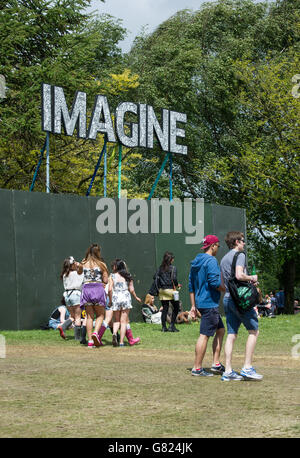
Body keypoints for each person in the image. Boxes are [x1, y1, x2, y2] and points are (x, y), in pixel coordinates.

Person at [220, 231, 263, 381]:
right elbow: (239, 275)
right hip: (240, 301)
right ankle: (247, 367)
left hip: (227, 298)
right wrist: (252, 278)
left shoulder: (224, 259)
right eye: (242, 240)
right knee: (253, 331)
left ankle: (228, 371)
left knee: (231, 335)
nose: (244, 243)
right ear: (236, 242)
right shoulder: (240, 255)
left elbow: (223, 284)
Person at [189, 235, 226, 377]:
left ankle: (216, 364)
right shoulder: (211, 261)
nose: (218, 249)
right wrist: (228, 289)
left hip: (201, 302)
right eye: (218, 246)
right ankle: (197, 368)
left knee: (221, 330)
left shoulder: (196, 262)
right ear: (213, 246)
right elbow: (215, 283)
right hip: (209, 303)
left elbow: (190, 285)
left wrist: (193, 305)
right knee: (204, 335)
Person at [80, 243, 108, 348]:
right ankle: (95, 333)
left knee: (89, 316)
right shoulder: (102, 264)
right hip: (98, 289)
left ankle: (90, 341)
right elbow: (105, 280)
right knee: (100, 315)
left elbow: (79, 273)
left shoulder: (84, 263)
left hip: (86, 289)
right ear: (98, 252)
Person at [108, 259, 142, 347]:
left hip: (116, 297)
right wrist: (136, 297)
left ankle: (114, 333)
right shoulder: (128, 276)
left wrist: (110, 301)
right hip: (125, 297)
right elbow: (131, 289)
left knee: (116, 320)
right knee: (123, 322)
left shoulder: (112, 276)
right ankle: (122, 342)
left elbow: (110, 289)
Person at [155, 251, 181, 332]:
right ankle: (172, 326)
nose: (173, 260)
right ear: (170, 259)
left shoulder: (160, 268)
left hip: (162, 291)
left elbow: (155, 277)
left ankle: (163, 327)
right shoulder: (173, 268)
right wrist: (177, 285)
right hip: (170, 290)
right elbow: (174, 279)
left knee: (165, 309)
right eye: (172, 259)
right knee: (176, 307)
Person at [60, 256, 84, 341]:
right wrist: (79, 264)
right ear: (72, 265)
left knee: (73, 316)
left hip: (67, 295)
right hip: (76, 294)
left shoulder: (64, 275)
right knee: (78, 317)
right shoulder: (76, 273)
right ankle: (78, 338)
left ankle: (63, 327)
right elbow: (81, 269)